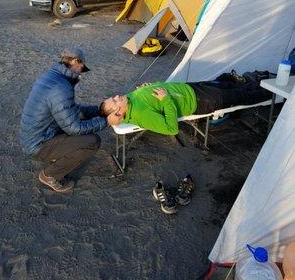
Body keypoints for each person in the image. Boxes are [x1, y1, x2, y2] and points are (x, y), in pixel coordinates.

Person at [20, 46, 122, 192]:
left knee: (80, 129)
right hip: (37, 144)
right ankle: (49, 176)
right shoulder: (61, 87)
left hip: (35, 135)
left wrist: (100, 111)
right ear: (75, 61)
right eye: (82, 67)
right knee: (92, 141)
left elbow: (72, 110)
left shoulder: (53, 76)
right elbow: (74, 128)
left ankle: (56, 156)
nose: (82, 73)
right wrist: (106, 121)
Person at [100, 80, 271, 135]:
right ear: (119, 112)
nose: (116, 97)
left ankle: (264, 81)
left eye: (113, 98)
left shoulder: (127, 100)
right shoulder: (142, 115)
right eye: (114, 102)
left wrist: (146, 87)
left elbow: (145, 95)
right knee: (241, 96)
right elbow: (171, 129)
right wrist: (166, 100)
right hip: (199, 101)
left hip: (189, 88)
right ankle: (273, 91)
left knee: (231, 85)